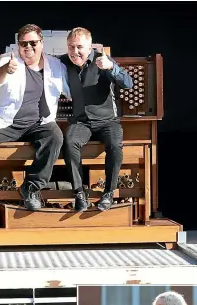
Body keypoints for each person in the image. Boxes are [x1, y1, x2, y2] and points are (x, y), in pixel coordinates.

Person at [0, 24, 70, 223]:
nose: (28, 47)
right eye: (23, 44)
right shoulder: (7, 59)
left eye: (33, 43)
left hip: (40, 123)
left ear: (41, 43)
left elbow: (71, 91)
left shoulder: (55, 65)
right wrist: (6, 69)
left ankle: (31, 187)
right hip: (7, 122)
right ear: (18, 45)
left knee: (56, 136)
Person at [59, 27, 133, 212]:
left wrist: (112, 68)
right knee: (69, 142)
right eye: (71, 47)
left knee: (115, 145)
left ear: (90, 47)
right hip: (81, 121)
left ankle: (108, 192)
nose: (75, 52)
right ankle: (79, 192)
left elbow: (128, 83)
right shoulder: (62, 61)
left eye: (79, 47)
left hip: (107, 120)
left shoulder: (103, 60)